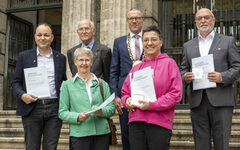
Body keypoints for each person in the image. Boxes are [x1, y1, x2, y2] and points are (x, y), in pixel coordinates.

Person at [180, 8, 240, 150]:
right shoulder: (188, 46)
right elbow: (183, 69)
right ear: (195, 22)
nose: (203, 21)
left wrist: (222, 77)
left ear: (213, 20)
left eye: (206, 17)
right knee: (200, 144)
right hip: (198, 101)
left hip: (221, 100)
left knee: (222, 144)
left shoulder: (227, 41)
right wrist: (185, 77)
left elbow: (237, 67)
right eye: (199, 18)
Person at [109, 8, 165, 150]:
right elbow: (114, 71)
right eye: (131, 18)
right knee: (127, 133)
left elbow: (161, 65)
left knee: (149, 132)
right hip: (126, 95)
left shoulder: (151, 40)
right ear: (127, 21)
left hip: (150, 93)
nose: (134, 21)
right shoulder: (119, 42)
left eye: (137, 18)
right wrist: (116, 96)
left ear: (142, 20)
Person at [121, 25, 182, 150]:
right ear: (142, 43)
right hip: (136, 122)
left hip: (159, 123)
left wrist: (152, 105)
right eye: (146, 40)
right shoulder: (136, 68)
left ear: (161, 42)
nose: (149, 43)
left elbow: (175, 94)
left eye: (153, 39)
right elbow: (125, 92)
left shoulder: (170, 64)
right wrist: (126, 101)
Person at [11, 23, 67, 150]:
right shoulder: (24, 56)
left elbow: (64, 81)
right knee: (32, 146)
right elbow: (15, 82)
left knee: (51, 147)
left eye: (46, 35)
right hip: (32, 108)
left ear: (52, 37)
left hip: (54, 108)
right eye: (39, 35)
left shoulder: (61, 58)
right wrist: (22, 95)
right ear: (35, 37)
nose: (43, 38)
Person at [59, 47, 115, 150]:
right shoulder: (67, 85)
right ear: (75, 62)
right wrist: (77, 117)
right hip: (79, 134)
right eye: (80, 60)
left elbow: (111, 108)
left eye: (87, 60)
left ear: (91, 62)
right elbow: (62, 112)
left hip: (101, 133)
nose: (84, 63)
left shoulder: (102, 84)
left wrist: (101, 111)